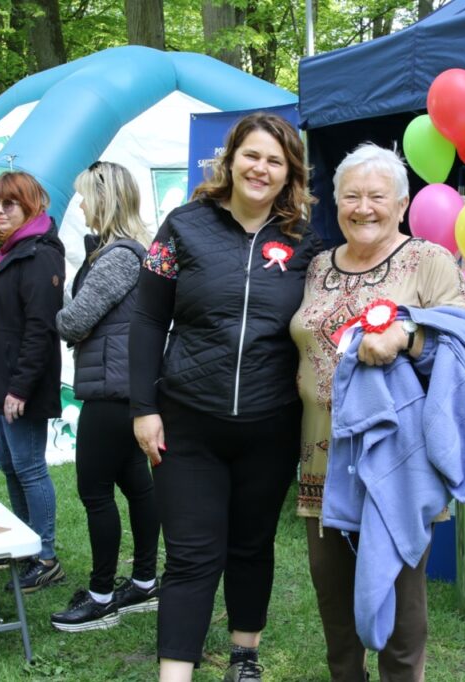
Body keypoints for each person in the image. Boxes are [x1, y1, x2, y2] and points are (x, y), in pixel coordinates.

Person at [129, 112, 322, 682]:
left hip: (270, 424)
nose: (261, 169)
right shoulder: (181, 226)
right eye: (252, 155)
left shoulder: (305, 244)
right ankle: (175, 674)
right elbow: (145, 322)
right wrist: (144, 407)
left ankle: (244, 654)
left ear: (290, 174)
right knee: (190, 555)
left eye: (275, 161)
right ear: (231, 158)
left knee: (251, 543)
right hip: (188, 421)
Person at [290, 144, 465, 681]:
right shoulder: (317, 266)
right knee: (334, 604)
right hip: (322, 459)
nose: (363, 207)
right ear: (337, 204)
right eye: (351, 196)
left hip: (396, 457)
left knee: (400, 609)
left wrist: (409, 337)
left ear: (401, 204)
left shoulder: (428, 261)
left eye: (377, 196)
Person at [51, 161, 160, 632]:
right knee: (137, 487)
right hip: (126, 389)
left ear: (104, 199)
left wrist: (52, 309)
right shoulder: (124, 252)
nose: (78, 204)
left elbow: (75, 321)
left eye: (83, 196)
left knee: (95, 491)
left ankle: (100, 597)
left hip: (111, 392)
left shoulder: (118, 256)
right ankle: (143, 583)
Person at [0, 170, 66, 593]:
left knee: (30, 467)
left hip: (20, 385)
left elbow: (40, 328)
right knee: (10, 466)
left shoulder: (39, 254)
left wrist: (19, 388)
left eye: (10, 204)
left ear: (31, 206)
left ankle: (46, 556)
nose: (0, 211)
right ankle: (26, 547)